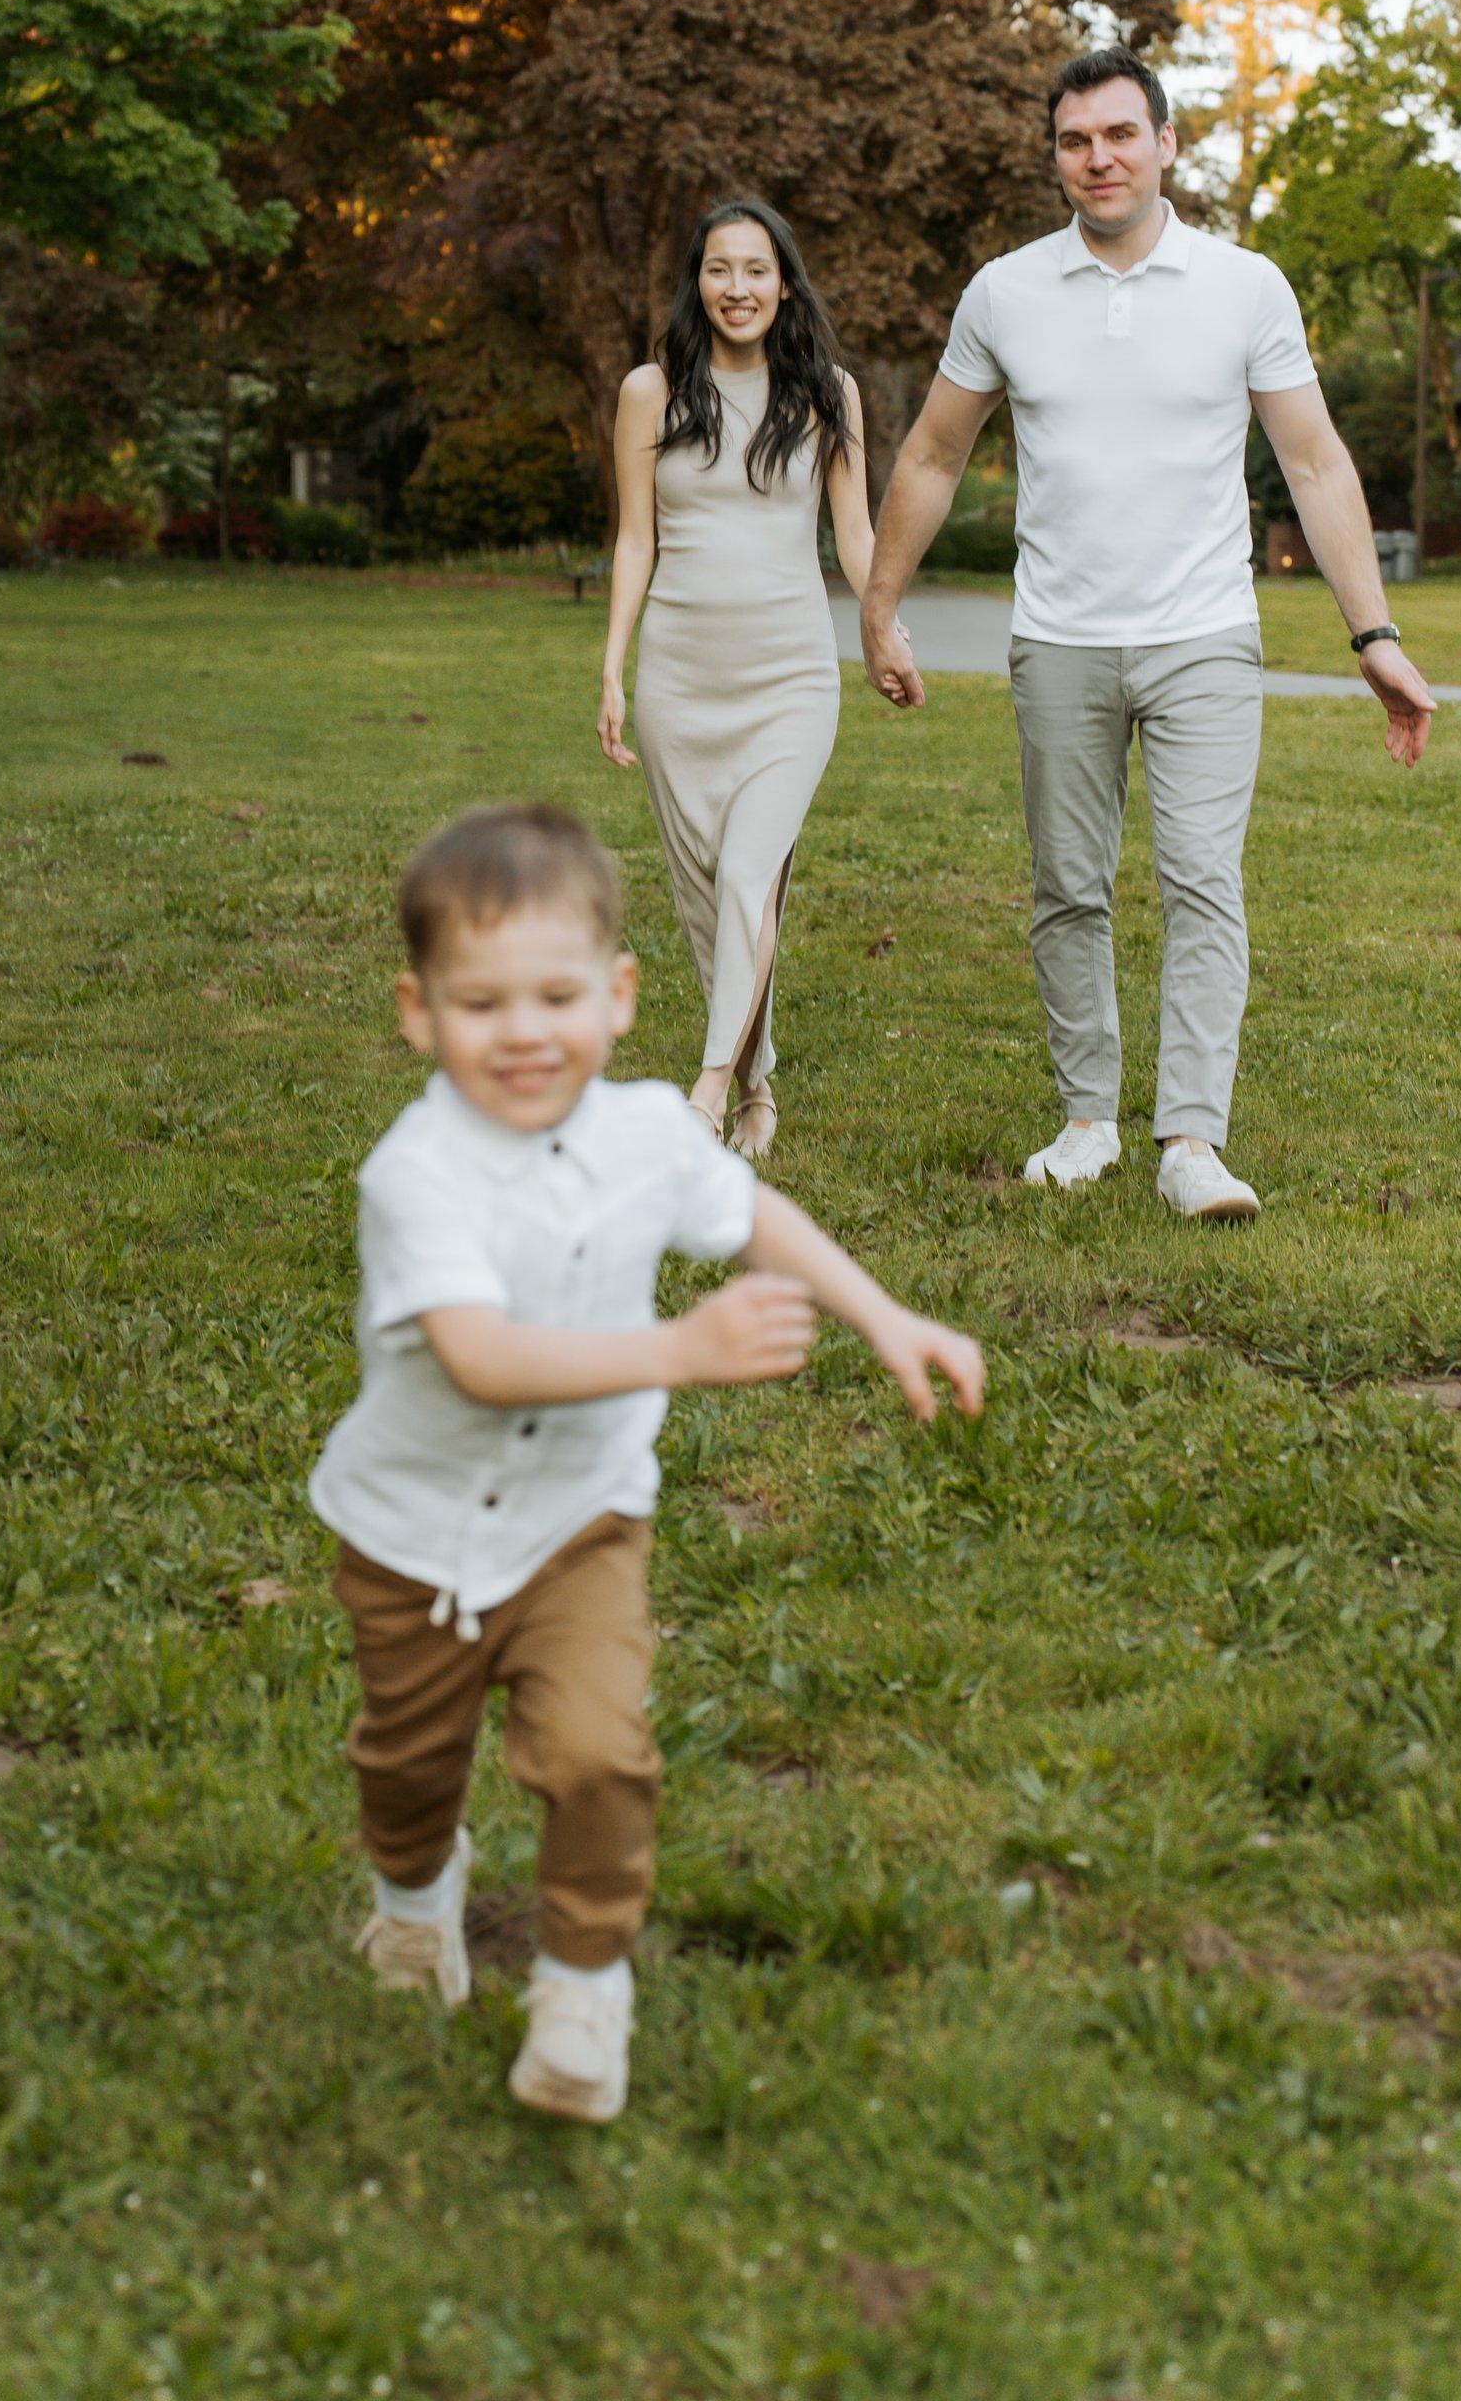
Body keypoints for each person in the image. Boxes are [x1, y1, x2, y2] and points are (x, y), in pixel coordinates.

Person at [310, 804, 985, 2125]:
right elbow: (481, 1357)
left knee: (598, 1751)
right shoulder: (416, 1174)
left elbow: (754, 1216)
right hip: (409, 1534)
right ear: (417, 1011)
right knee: (407, 1764)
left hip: (580, 1524)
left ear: (620, 999)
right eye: (481, 1001)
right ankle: (412, 1896)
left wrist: (886, 1315)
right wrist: (679, 1352)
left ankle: (580, 1991)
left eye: (557, 995)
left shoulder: (646, 1137)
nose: (524, 1032)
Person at [859, 45, 1436, 1221]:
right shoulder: (1005, 291)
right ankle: (1087, 1123)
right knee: (1068, 885)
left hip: (1206, 633)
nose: (1099, 158)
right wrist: (876, 605)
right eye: (1076, 140)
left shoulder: (1245, 286)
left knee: (1201, 882)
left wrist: (1371, 633)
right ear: (1057, 156)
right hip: (1060, 637)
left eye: (1121, 134)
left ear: (1166, 144)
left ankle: (1189, 1144)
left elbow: (1315, 462)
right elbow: (930, 451)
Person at [597, 198, 878, 1159]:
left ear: (784, 283)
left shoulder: (828, 394)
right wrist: (611, 668)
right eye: (720, 270)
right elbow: (636, 538)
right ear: (698, 282)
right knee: (710, 901)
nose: (738, 289)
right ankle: (760, 1085)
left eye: (756, 270)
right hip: (680, 677)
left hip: (791, 677)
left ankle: (708, 1093)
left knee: (752, 876)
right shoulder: (651, 391)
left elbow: (857, 534)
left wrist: (885, 632)